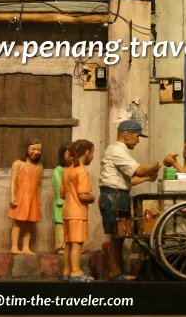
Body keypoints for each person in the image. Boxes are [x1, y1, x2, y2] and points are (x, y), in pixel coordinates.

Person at [99, 119, 160, 281]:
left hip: (118, 194)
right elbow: (138, 170)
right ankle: (114, 272)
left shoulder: (120, 151)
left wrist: (147, 178)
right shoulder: (117, 150)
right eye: (137, 136)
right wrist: (155, 164)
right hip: (114, 196)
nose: (138, 140)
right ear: (126, 135)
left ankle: (118, 270)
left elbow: (129, 180)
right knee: (116, 236)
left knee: (119, 236)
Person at [63, 139, 96, 282]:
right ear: (87, 152)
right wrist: (93, 198)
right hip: (77, 213)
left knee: (68, 243)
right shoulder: (82, 171)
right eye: (92, 153)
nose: (92, 156)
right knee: (77, 243)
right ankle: (76, 271)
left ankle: (67, 271)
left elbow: (63, 193)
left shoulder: (67, 170)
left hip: (67, 211)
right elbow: (83, 195)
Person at [8, 138, 43, 254]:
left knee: (30, 224)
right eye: (33, 149)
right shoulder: (18, 164)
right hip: (21, 197)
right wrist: (12, 196)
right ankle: (14, 246)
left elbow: (38, 186)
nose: (36, 152)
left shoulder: (39, 167)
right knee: (18, 222)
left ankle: (26, 247)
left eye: (39, 149)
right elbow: (13, 181)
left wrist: (38, 201)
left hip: (33, 198)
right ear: (26, 149)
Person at [51, 141, 71, 256]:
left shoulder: (72, 169)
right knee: (60, 225)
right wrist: (63, 198)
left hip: (71, 203)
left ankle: (69, 245)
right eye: (68, 153)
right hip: (62, 202)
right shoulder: (58, 170)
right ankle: (61, 246)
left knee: (70, 225)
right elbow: (59, 186)